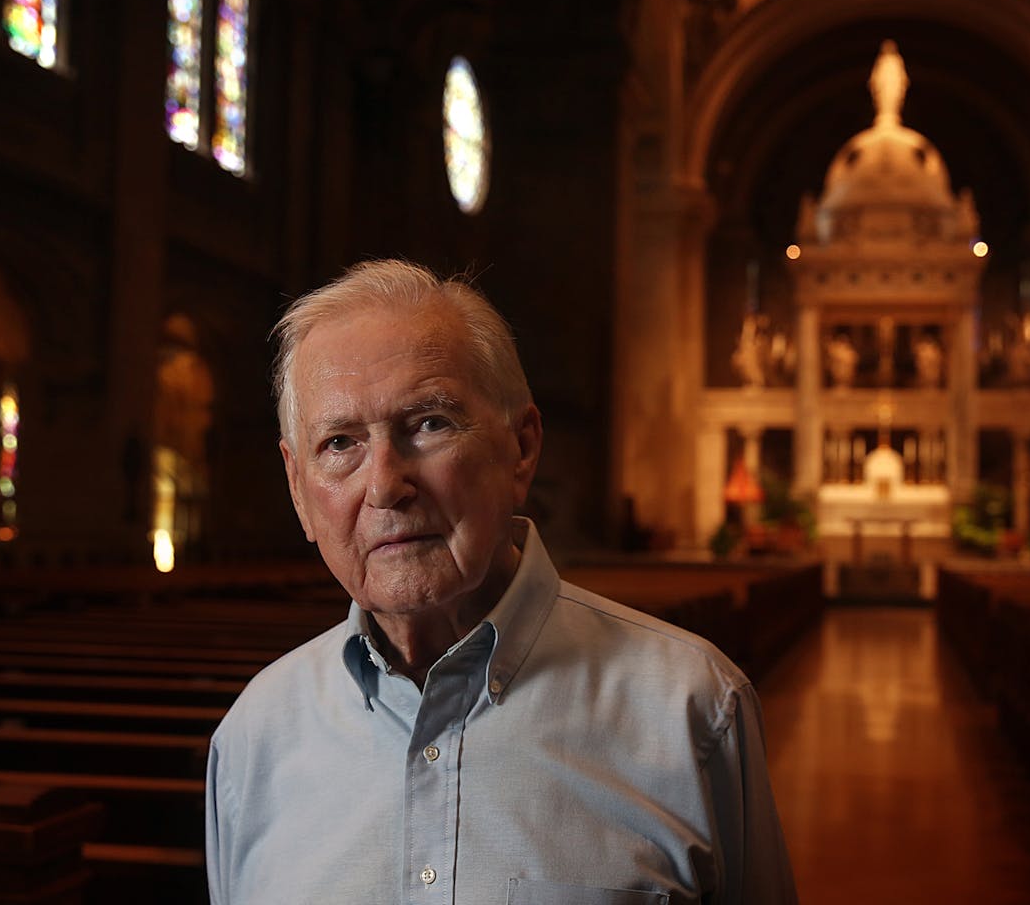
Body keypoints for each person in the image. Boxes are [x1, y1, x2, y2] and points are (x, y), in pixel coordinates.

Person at [205, 259, 797, 904]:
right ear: (297, 487)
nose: (384, 486)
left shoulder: (694, 709)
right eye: (340, 442)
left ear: (521, 447)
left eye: (429, 424)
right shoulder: (252, 736)